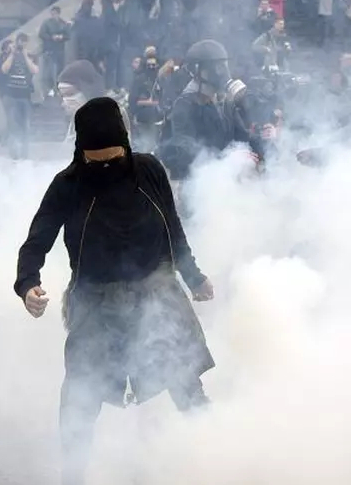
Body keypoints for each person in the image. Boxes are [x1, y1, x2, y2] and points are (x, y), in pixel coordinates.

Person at [15, 97, 214, 485]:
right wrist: (27, 285)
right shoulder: (67, 186)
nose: (105, 168)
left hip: (158, 294)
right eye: (96, 162)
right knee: (80, 396)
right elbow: (36, 241)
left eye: (113, 159)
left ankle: (215, 461)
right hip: (95, 301)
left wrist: (194, 278)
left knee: (187, 381)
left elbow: (173, 229)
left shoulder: (150, 170)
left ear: (126, 143)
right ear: (81, 153)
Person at [159, 39, 264, 181]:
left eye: (223, 66)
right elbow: (185, 147)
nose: (221, 73)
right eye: (215, 67)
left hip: (225, 178)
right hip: (197, 183)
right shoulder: (185, 104)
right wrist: (227, 157)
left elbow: (242, 136)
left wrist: (267, 146)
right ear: (197, 71)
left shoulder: (224, 102)